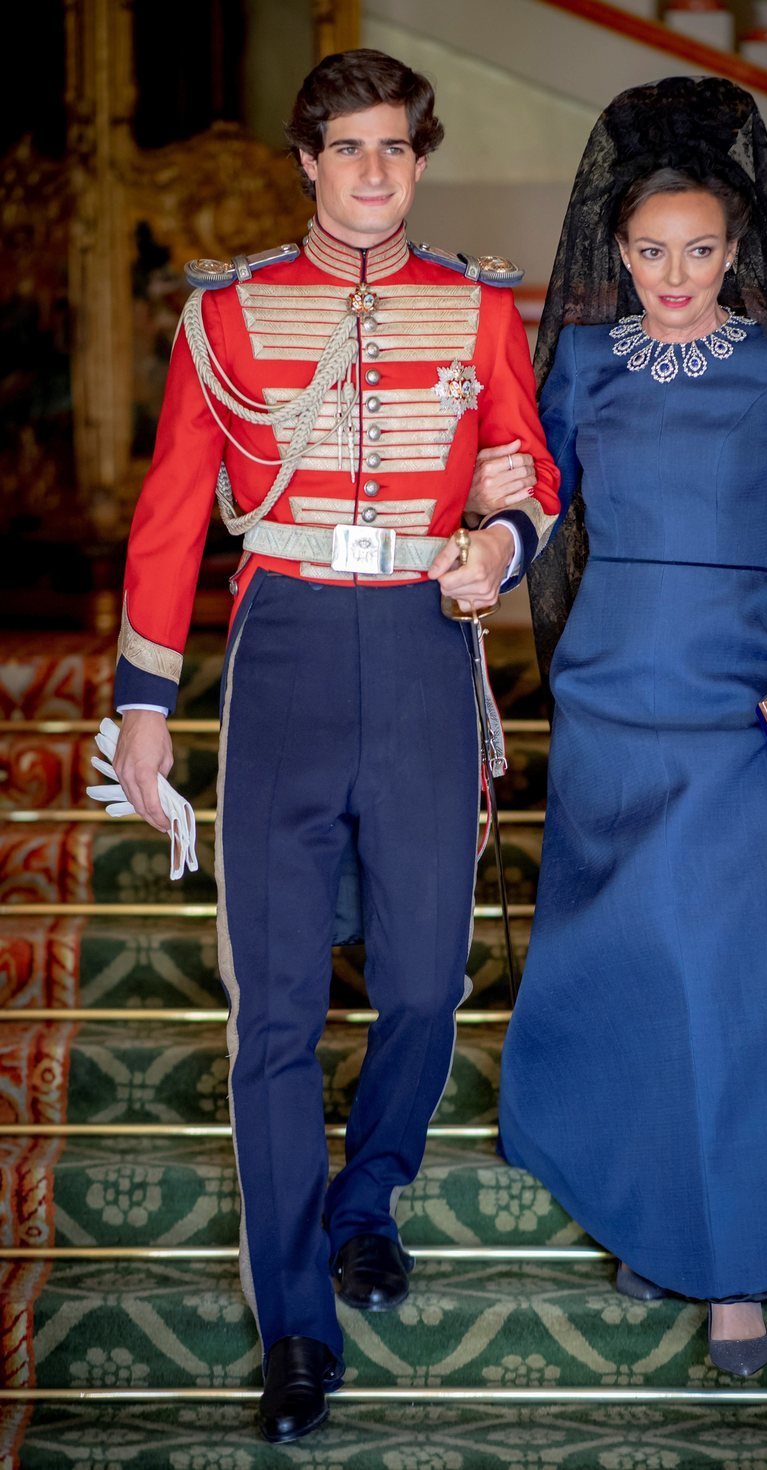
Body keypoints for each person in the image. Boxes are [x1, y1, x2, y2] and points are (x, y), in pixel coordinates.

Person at [109, 48, 559, 1444]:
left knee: (426, 981)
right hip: (289, 649)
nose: (374, 174)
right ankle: (296, 1326)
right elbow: (178, 509)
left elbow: (533, 462)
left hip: (424, 646)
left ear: (418, 161)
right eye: (348, 149)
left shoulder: (477, 307)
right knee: (278, 1012)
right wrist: (138, 704)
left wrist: (501, 535)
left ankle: (368, 1194)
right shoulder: (232, 315)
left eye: (396, 151)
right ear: (307, 159)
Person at [483, 77, 767, 1378]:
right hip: (612, 699)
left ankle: (731, 1270)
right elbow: (535, 516)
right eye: (649, 253)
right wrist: (474, 540)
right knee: (634, 968)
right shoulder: (577, 363)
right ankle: (654, 1206)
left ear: (733, 251)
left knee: (727, 970)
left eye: (698, 252)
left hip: (744, 705)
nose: (674, 276)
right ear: (617, 254)